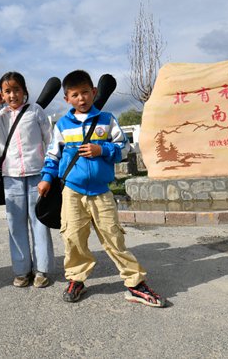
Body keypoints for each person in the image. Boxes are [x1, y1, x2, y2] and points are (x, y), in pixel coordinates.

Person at [38, 70, 166, 307]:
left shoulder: (107, 120)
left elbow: (125, 148)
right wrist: (46, 177)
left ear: (94, 92)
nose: (81, 99)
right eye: (75, 95)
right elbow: (52, 155)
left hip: (101, 191)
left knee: (113, 237)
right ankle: (77, 279)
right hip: (72, 191)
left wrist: (102, 150)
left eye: (85, 92)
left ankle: (134, 283)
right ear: (67, 99)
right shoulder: (63, 125)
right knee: (73, 238)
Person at [0, 72, 55, 288]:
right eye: (7, 91)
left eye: (16, 90)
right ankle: (22, 271)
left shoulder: (35, 111)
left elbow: (49, 140)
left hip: (36, 175)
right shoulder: (1, 115)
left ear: (25, 91)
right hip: (10, 177)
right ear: (2, 94)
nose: (12, 95)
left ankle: (42, 270)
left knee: (39, 222)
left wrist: (50, 171)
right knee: (15, 225)